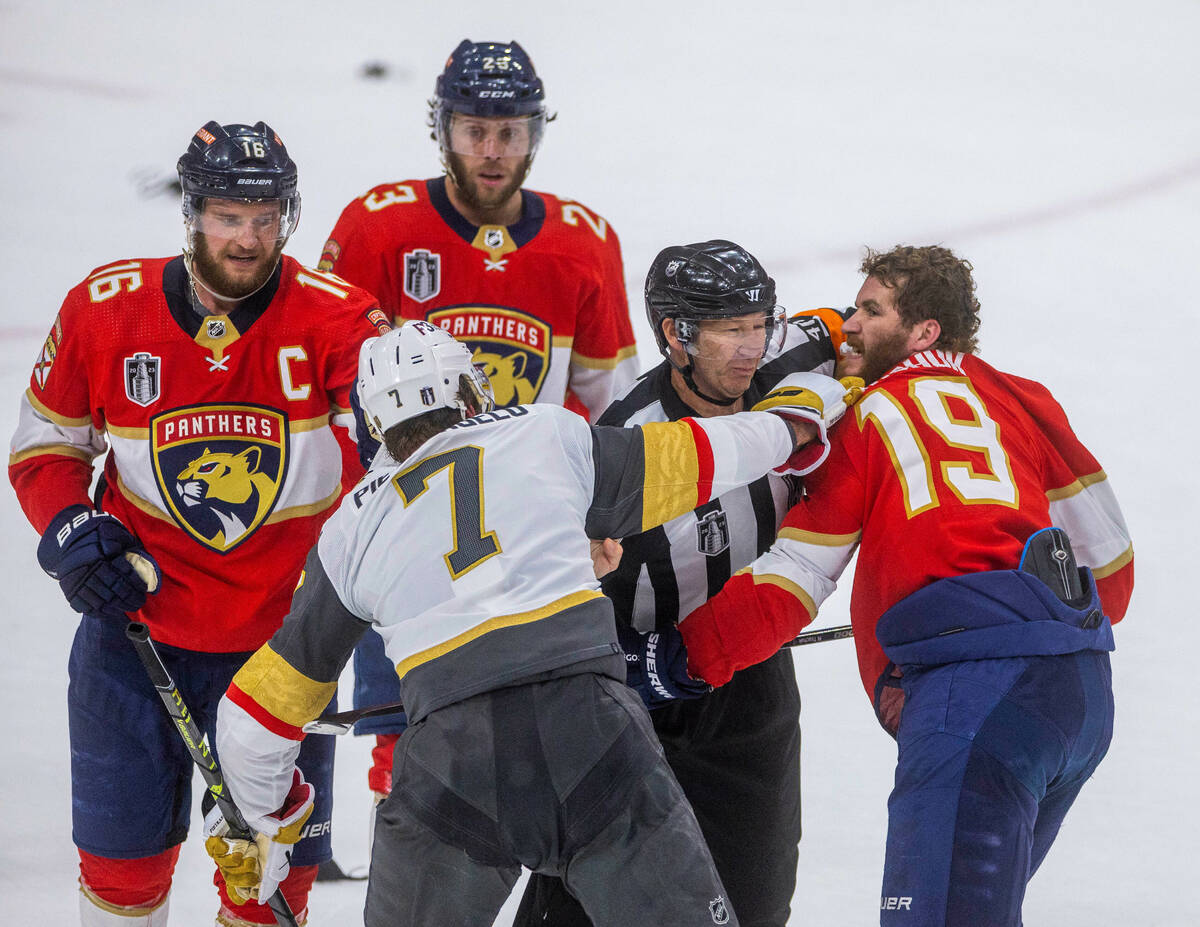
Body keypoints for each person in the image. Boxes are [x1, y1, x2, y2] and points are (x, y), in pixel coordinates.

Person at [204, 320, 853, 927]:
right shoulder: (544, 432)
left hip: (451, 768)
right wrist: (796, 420)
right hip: (592, 734)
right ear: (468, 387)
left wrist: (263, 824)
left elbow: (252, 718)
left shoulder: (350, 528)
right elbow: (705, 453)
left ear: (375, 422)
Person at [677, 245, 1135, 927]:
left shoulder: (864, 417)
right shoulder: (1022, 398)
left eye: (870, 309)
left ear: (924, 332)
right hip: (1081, 698)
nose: (848, 326)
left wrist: (680, 658)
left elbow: (791, 580)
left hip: (974, 701)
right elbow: (1115, 573)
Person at [10, 120, 387, 927]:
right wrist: (73, 529)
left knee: (267, 890)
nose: (247, 238)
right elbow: (47, 447)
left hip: (286, 656)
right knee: (121, 880)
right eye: (226, 215)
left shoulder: (340, 321)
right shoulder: (106, 309)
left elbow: (392, 461)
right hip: (135, 641)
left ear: (288, 216)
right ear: (191, 212)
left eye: (264, 217)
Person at [317, 38, 639, 805]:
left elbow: (610, 405)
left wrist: (602, 513)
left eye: (511, 131)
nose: (493, 151)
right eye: (474, 130)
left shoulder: (582, 242)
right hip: (406, 535)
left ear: (536, 133)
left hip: (531, 534)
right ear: (443, 129)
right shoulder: (378, 228)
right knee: (411, 752)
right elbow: (330, 393)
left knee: (539, 743)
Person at [515, 239, 849, 927]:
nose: (752, 346)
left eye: (760, 323)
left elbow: (884, 321)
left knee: (751, 906)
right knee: (577, 906)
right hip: (633, 703)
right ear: (676, 333)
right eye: (731, 330)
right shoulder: (623, 442)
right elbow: (549, 590)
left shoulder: (792, 353)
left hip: (752, 690)